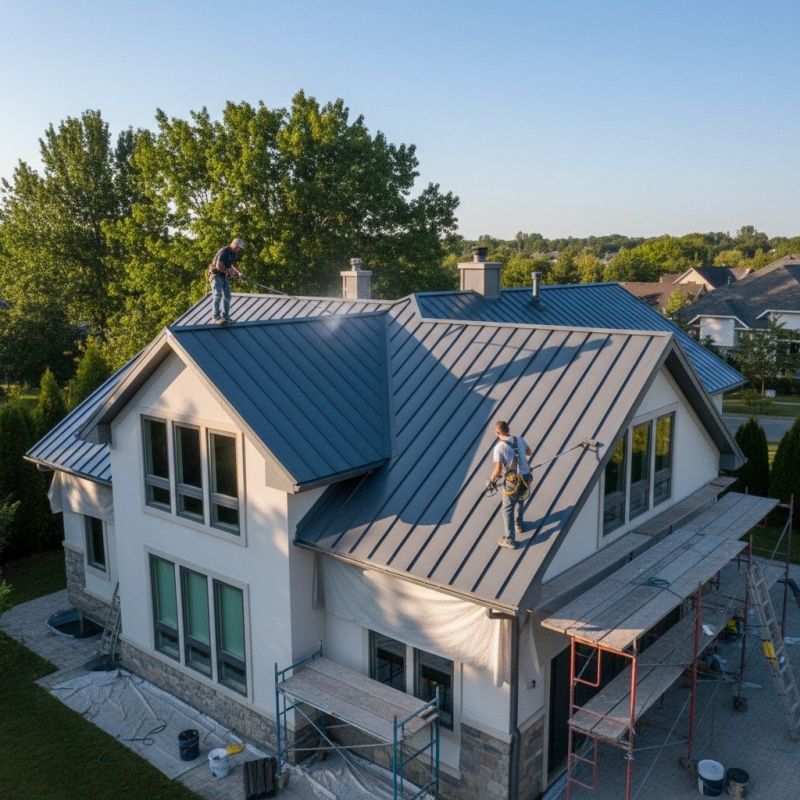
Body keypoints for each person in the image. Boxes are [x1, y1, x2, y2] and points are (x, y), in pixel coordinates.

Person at [488, 420, 533, 549]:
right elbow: (529, 452)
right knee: (520, 500)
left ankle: (510, 540)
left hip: (513, 481)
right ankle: (519, 525)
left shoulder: (499, 447)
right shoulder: (520, 440)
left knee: (507, 509)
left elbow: (498, 469)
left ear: (498, 432)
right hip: (526, 477)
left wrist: (491, 480)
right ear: (508, 429)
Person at [209, 238, 244, 323]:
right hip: (216, 275)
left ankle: (226, 316)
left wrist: (240, 273)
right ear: (234, 244)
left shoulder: (233, 253)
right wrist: (230, 272)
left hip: (224, 276)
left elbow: (234, 264)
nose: (238, 249)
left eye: (239, 248)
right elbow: (218, 266)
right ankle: (215, 317)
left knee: (228, 296)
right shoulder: (224, 251)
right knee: (217, 295)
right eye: (238, 247)